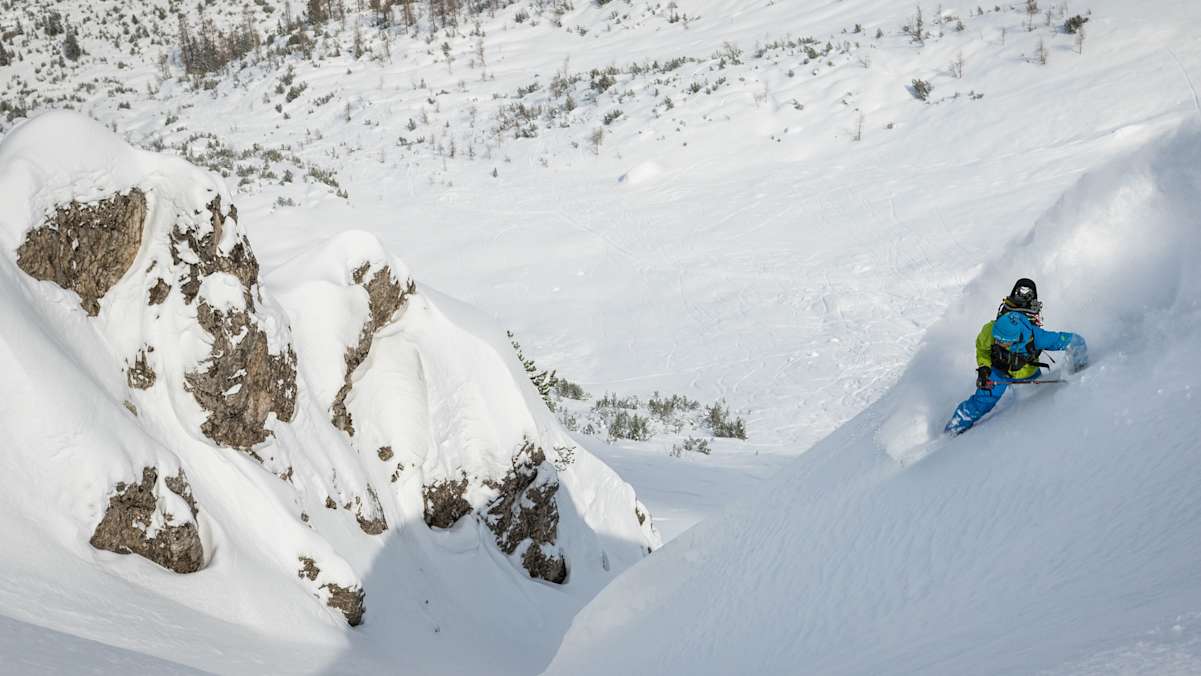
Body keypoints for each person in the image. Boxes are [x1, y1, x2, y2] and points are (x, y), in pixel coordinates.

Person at [944, 278, 1087, 435]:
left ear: (1019, 338)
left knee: (1033, 400)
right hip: (997, 372)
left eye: (1004, 342)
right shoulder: (989, 330)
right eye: (997, 339)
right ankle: (954, 429)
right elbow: (982, 349)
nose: (998, 342)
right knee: (982, 402)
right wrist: (984, 368)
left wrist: (1079, 367)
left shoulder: (1037, 337)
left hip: (1028, 373)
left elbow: (1075, 341)